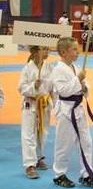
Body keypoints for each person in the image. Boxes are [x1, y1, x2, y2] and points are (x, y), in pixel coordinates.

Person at [51, 37, 93, 188]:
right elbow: (63, 91)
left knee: (86, 142)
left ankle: (87, 173)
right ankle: (59, 174)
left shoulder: (75, 67)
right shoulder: (58, 70)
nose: (78, 52)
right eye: (74, 49)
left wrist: (84, 85)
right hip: (66, 111)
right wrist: (78, 80)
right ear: (63, 52)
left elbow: (83, 88)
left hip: (79, 109)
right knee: (64, 144)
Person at [18, 46, 53, 179]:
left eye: (48, 49)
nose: (47, 52)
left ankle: (38, 157)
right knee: (28, 133)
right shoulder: (27, 68)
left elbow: (53, 87)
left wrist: (54, 101)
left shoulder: (49, 68)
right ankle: (29, 165)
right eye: (44, 49)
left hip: (44, 104)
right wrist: (34, 86)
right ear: (36, 51)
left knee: (42, 132)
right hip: (31, 104)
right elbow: (21, 88)